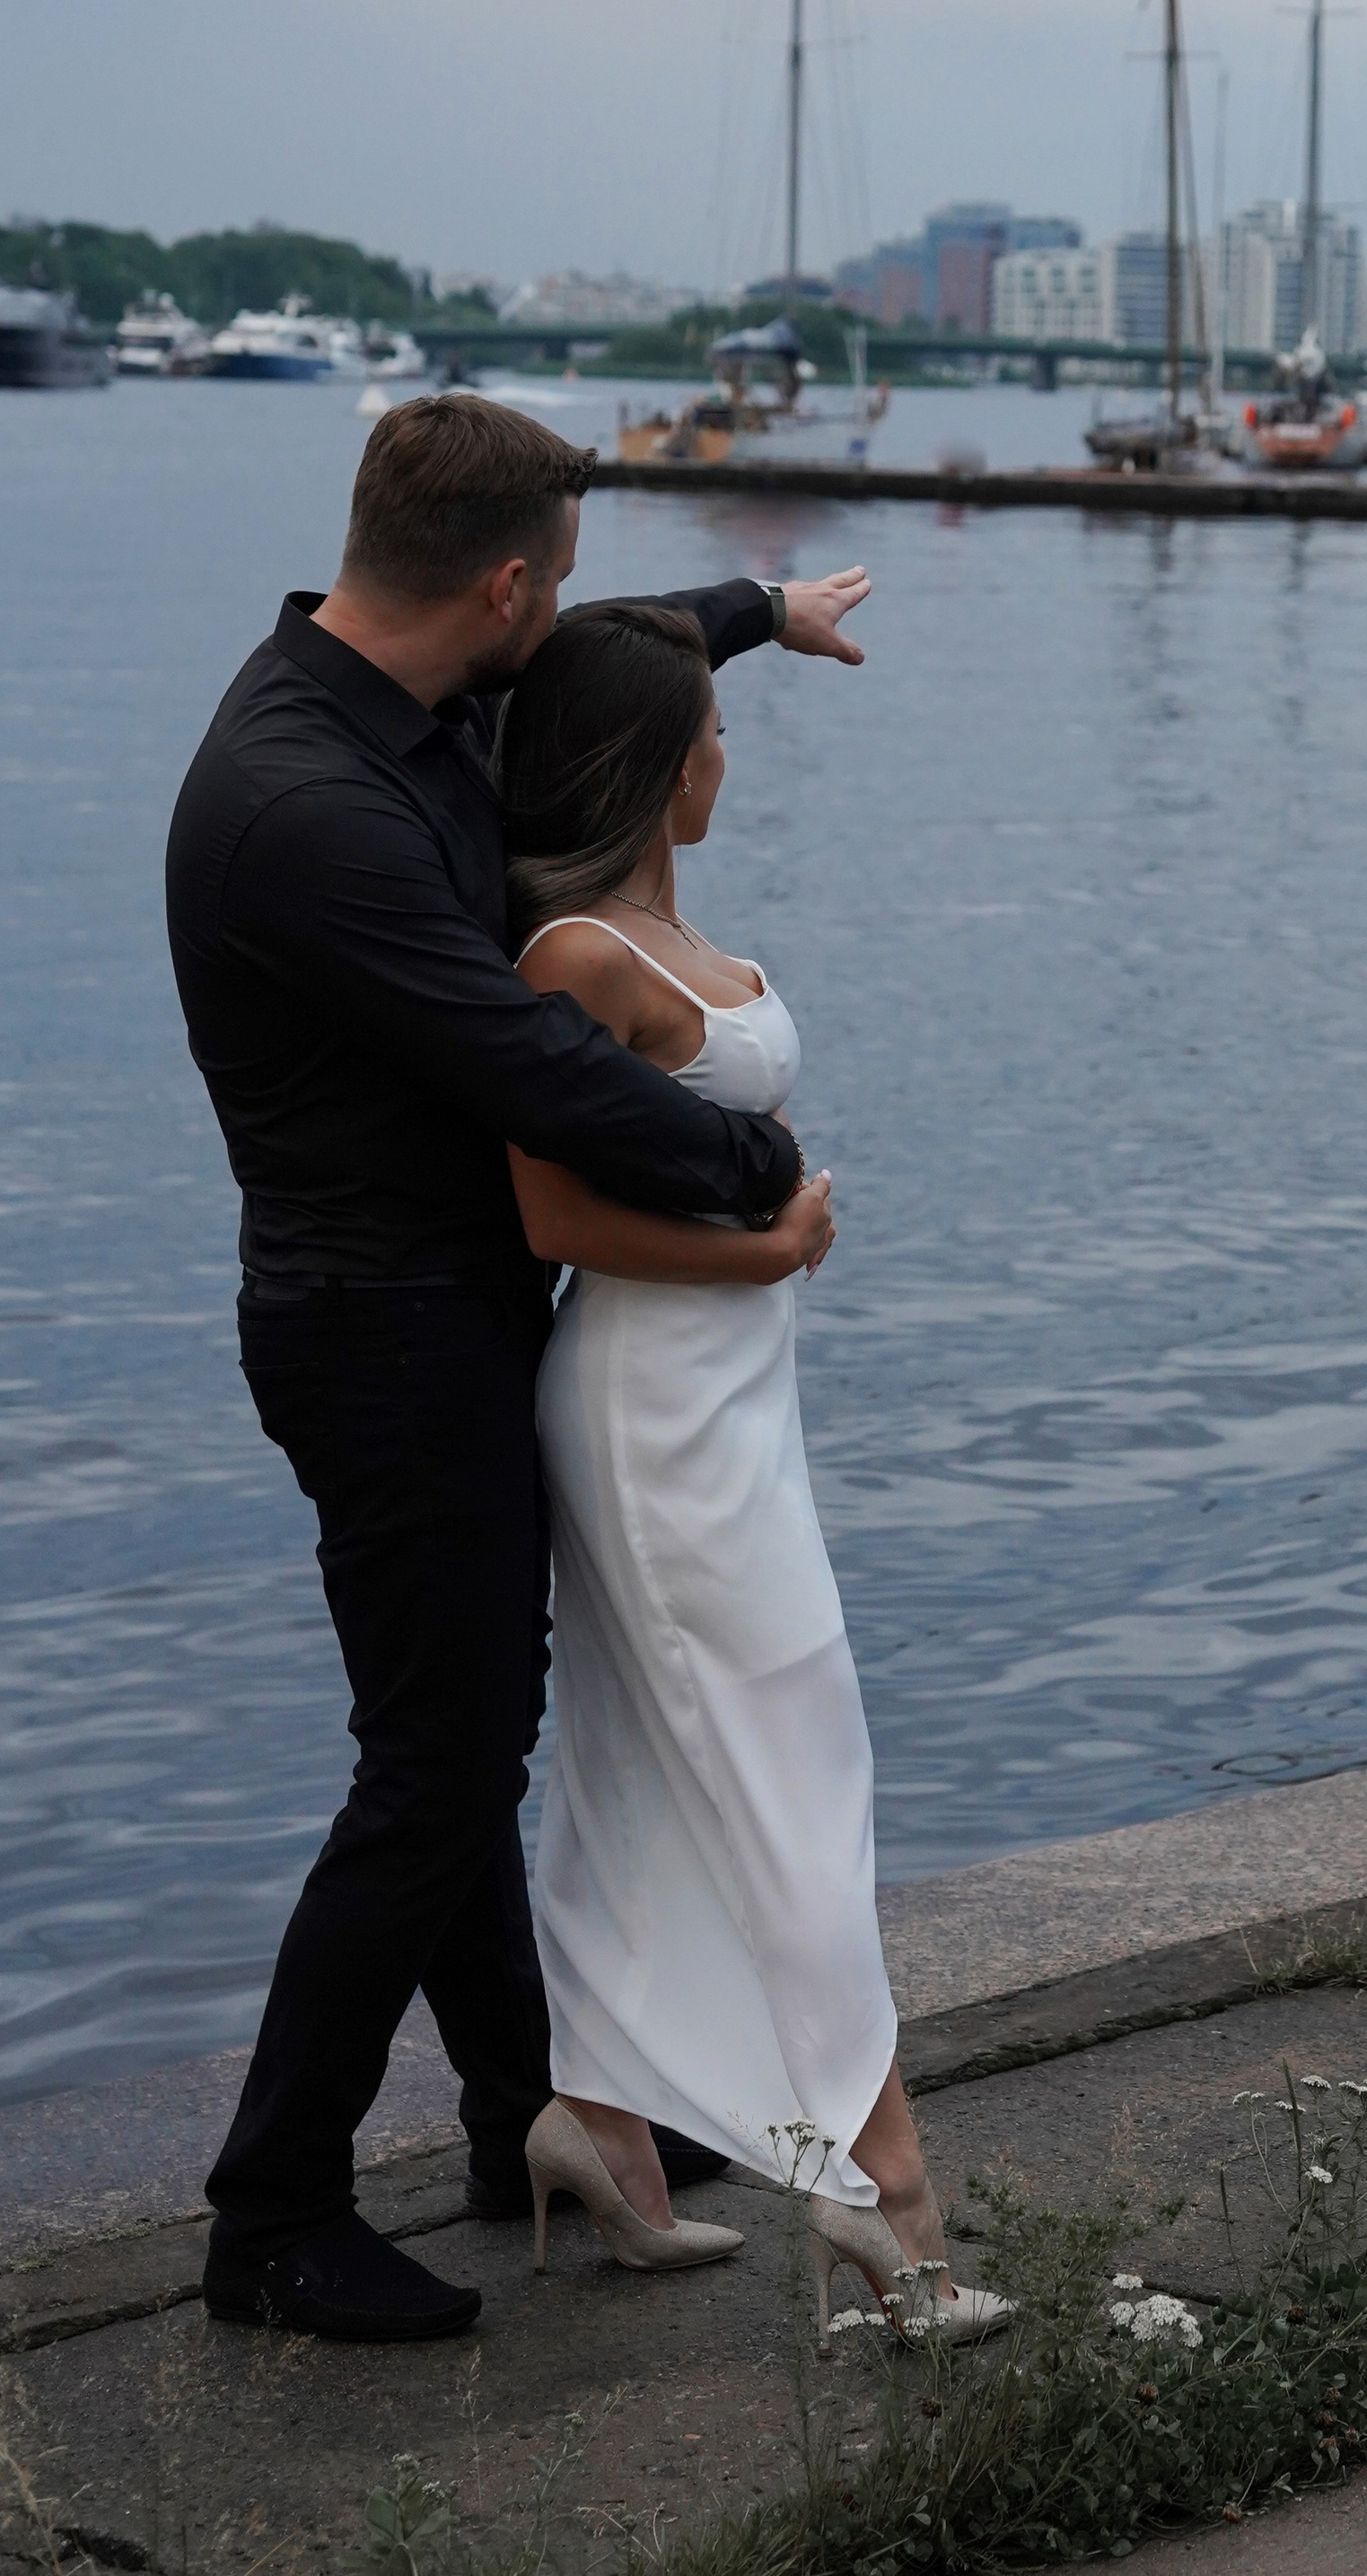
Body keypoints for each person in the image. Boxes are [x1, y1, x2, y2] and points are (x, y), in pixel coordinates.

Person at [164, 390, 869, 2342]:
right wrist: (756, 1172)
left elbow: (582, 643)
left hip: (448, 1313)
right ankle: (274, 2207)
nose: (547, 624)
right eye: (538, 588)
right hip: (375, 1333)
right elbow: (524, 1059)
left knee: (462, 1738)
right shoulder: (305, 807)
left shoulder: (406, 685)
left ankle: (524, 2119)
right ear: (491, 581)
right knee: (437, 1762)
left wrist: (744, 611)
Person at [497, 604, 1007, 2344]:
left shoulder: (657, 926)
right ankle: (892, 2207)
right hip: (648, 1408)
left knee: (644, 1766)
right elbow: (551, 1217)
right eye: (709, 729)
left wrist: (759, 617)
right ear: (647, 762)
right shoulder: (571, 952)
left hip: (733, 1402)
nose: (728, 754)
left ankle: (598, 2123)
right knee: (796, 1768)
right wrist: (775, 1248)